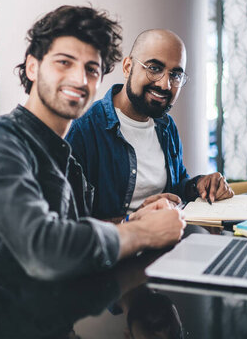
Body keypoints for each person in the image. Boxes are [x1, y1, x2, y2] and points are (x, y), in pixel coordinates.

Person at [0, 6, 186, 338]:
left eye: (92, 69)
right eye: (64, 62)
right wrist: (144, 234)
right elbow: (44, 247)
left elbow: (76, 234)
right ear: (33, 66)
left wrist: (136, 220)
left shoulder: (63, 154)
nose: (80, 79)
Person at [66, 29, 234, 221]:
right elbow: (71, 226)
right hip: (118, 248)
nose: (165, 85)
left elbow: (176, 187)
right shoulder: (84, 129)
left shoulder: (166, 126)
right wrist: (135, 221)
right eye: (154, 68)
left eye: (175, 75)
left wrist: (199, 184)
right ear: (128, 67)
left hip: (170, 242)